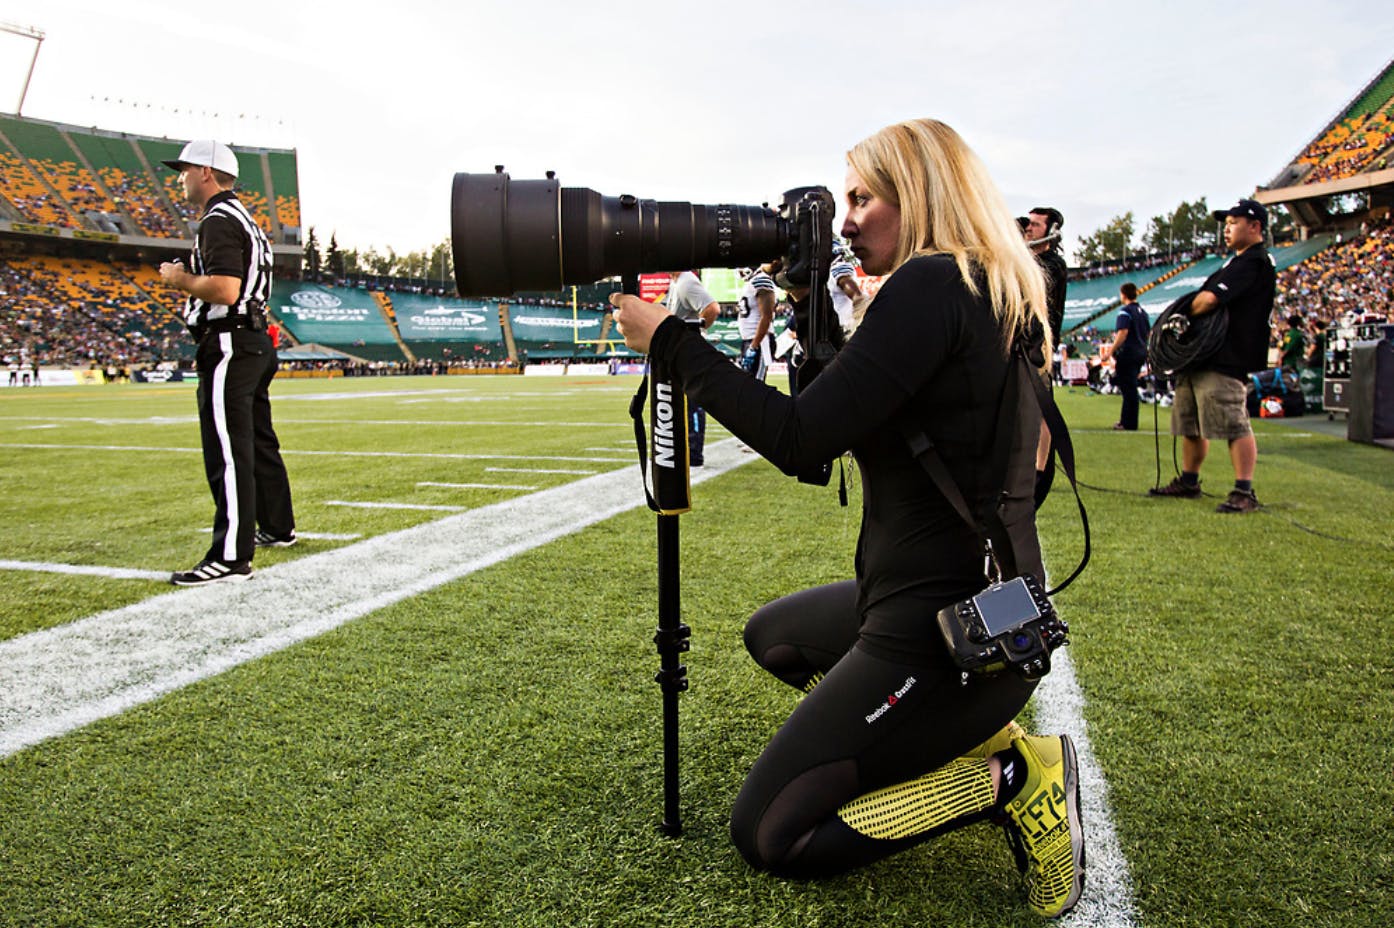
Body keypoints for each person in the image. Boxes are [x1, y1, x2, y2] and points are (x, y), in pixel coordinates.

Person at [612, 118, 1084, 918]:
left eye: (864, 198)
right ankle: (966, 738)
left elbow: (803, 440)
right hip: (973, 608)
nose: (848, 219)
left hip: (941, 638)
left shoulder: (931, 287)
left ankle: (1007, 779)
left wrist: (674, 347)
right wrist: (806, 300)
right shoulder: (987, 289)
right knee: (776, 636)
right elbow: (853, 409)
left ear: (921, 194)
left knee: (771, 831)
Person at [158, 139, 296, 585]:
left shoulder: (217, 220)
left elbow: (225, 289)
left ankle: (231, 556)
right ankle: (276, 525)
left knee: (228, 448)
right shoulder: (248, 221)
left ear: (206, 172)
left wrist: (180, 279)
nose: (180, 179)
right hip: (254, 339)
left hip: (231, 341)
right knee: (257, 440)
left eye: (185, 170)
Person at [1149, 197, 1275, 513]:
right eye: (1226, 223)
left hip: (1227, 354)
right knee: (1189, 422)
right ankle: (1189, 481)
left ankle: (1244, 490)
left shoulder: (1254, 261)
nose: (1227, 229)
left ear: (1255, 226)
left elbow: (1208, 301)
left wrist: (1183, 309)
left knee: (1234, 423)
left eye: (1234, 223)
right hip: (1203, 356)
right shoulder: (1234, 261)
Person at [1025, 207, 1067, 507]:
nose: (1028, 228)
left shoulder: (1052, 264)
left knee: (1041, 408)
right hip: (1021, 344)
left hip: (1038, 346)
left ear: (1051, 231)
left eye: (1035, 225)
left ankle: (1040, 470)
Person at [663, 269, 719, 465]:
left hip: (688, 352)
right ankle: (687, 451)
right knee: (682, 404)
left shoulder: (686, 281)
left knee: (693, 403)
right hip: (679, 352)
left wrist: (696, 334)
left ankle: (694, 454)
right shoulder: (676, 281)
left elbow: (712, 308)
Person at [1108, 282, 1150, 430]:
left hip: (1129, 353)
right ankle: (1130, 420)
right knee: (1131, 386)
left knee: (1128, 388)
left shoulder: (1125, 311)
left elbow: (1123, 332)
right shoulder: (1142, 312)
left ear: (1123, 294)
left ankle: (1127, 422)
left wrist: (1111, 350)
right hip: (1140, 352)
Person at [736, 265, 777, 382]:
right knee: (747, 385)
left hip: (759, 341)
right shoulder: (752, 282)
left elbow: (766, 316)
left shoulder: (761, 279)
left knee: (756, 385)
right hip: (750, 340)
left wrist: (754, 346)